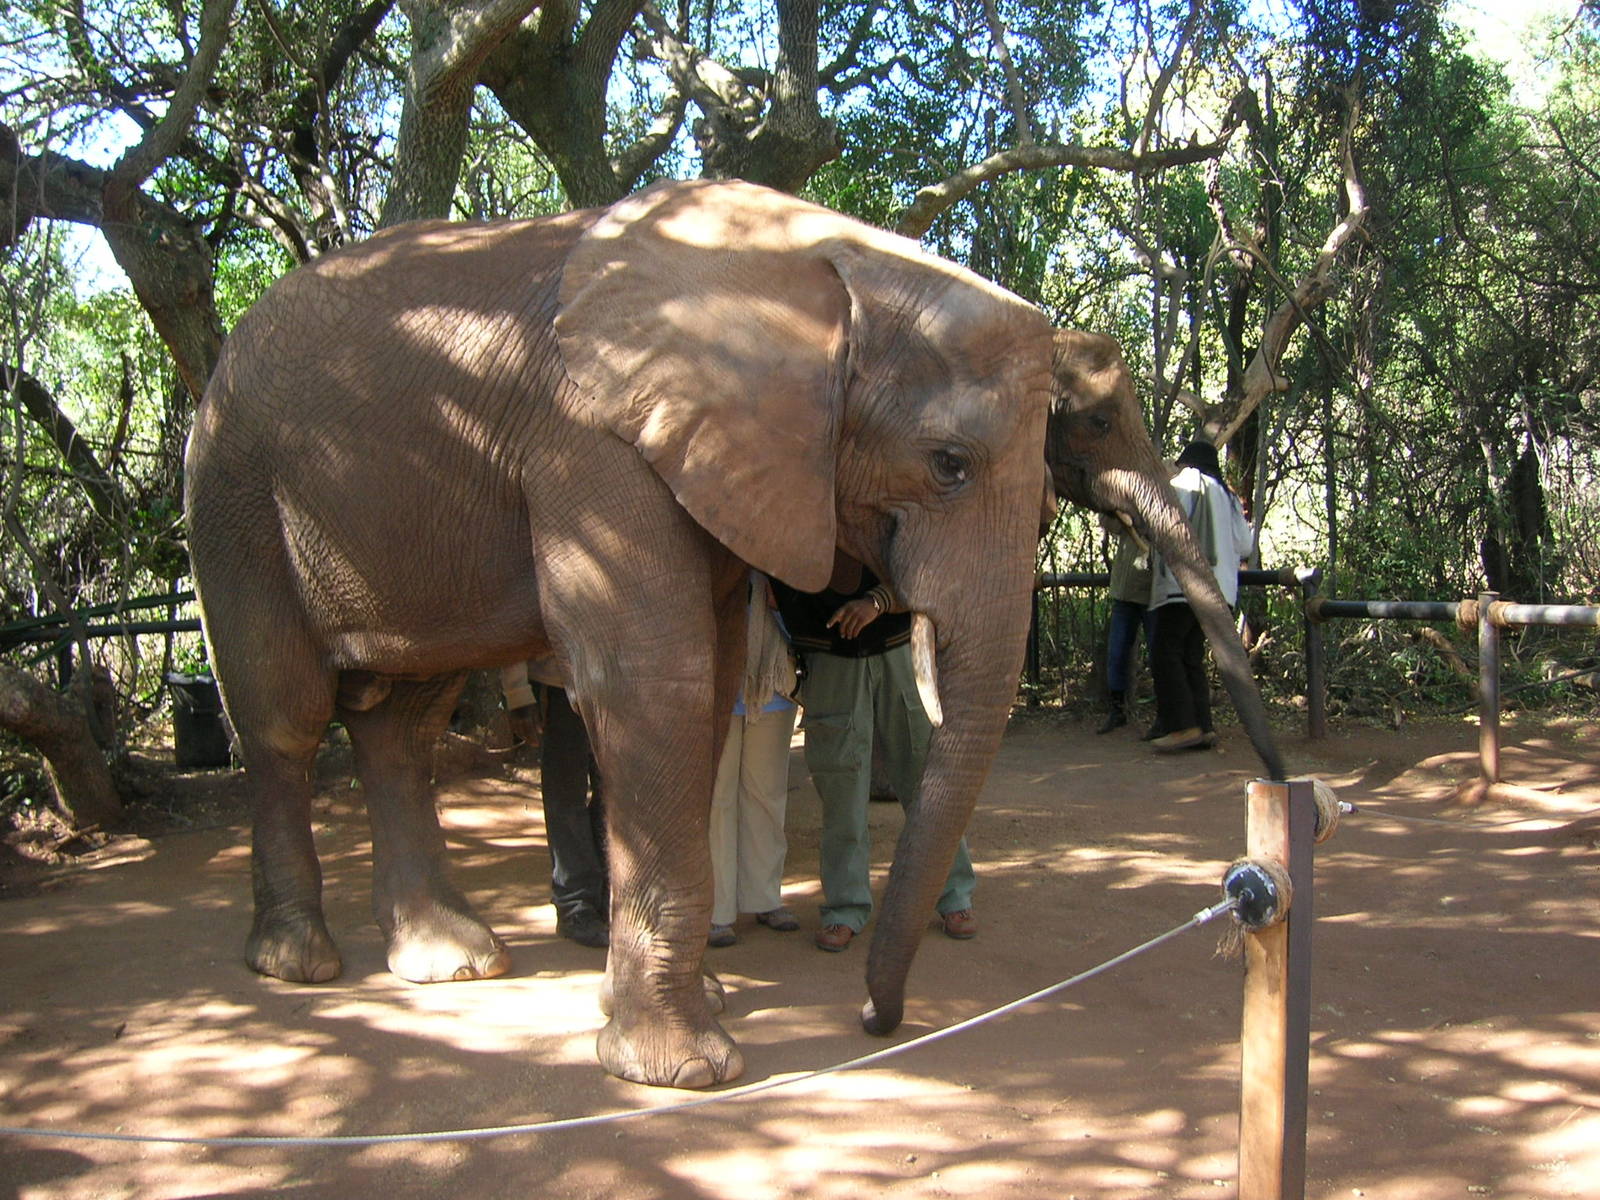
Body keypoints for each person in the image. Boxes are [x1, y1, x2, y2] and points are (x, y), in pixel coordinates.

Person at [773, 552, 977, 953]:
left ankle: (954, 895)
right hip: (829, 653)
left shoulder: (892, 488)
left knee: (925, 781)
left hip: (899, 647)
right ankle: (844, 908)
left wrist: (878, 602)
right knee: (841, 789)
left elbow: (927, 556)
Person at [707, 570, 801, 948]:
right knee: (718, 798)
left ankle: (765, 898)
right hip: (719, 683)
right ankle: (717, 910)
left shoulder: (780, 550)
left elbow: (807, 606)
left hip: (774, 680)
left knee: (766, 794)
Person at [1145, 440, 1254, 753]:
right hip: (1222, 592)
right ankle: (1203, 726)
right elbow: (1245, 545)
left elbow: (1161, 524)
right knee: (1191, 654)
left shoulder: (1183, 484)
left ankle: (1182, 726)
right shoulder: (1228, 496)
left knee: (1165, 651)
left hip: (1184, 586)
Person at [501, 662, 610, 948]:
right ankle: (575, 906)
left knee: (612, 797)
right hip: (559, 684)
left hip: (615, 685)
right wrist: (518, 693)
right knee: (566, 797)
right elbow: (517, 622)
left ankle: (607, 897)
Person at [1098, 513, 1155, 734]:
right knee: (1117, 653)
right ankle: (1117, 710)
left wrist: (1142, 523)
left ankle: (1165, 714)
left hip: (1151, 594)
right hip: (1123, 593)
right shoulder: (1127, 501)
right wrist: (1122, 516)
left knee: (1159, 655)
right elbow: (1107, 522)